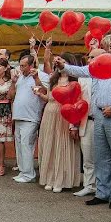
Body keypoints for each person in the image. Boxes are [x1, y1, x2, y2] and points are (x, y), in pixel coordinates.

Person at [54, 32, 111, 209]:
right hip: (100, 114)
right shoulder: (101, 60)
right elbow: (82, 71)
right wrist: (64, 66)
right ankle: (102, 192)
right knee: (101, 156)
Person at [37, 55, 82, 192]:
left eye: (63, 61)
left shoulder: (75, 81)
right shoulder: (53, 79)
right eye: (58, 61)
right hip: (50, 113)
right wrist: (40, 94)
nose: (59, 63)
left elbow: (76, 101)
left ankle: (60, 179)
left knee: (61, 146)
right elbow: (50, 97)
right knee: (49, 146)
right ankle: (49, 177)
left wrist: (73, 124)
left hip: (64, 115)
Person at [12, 54, 47, 183]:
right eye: (20, 65)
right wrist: (13, 82)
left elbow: (44, 92)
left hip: (31, 117)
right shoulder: (20, 77)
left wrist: (36, 77)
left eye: (24, 66)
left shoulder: (41, 75)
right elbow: (12, 95)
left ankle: (29, 174)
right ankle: (23, 171)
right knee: (20, 145)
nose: (21, 68)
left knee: (27, 145)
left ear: (31, 65)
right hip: (19, 115)